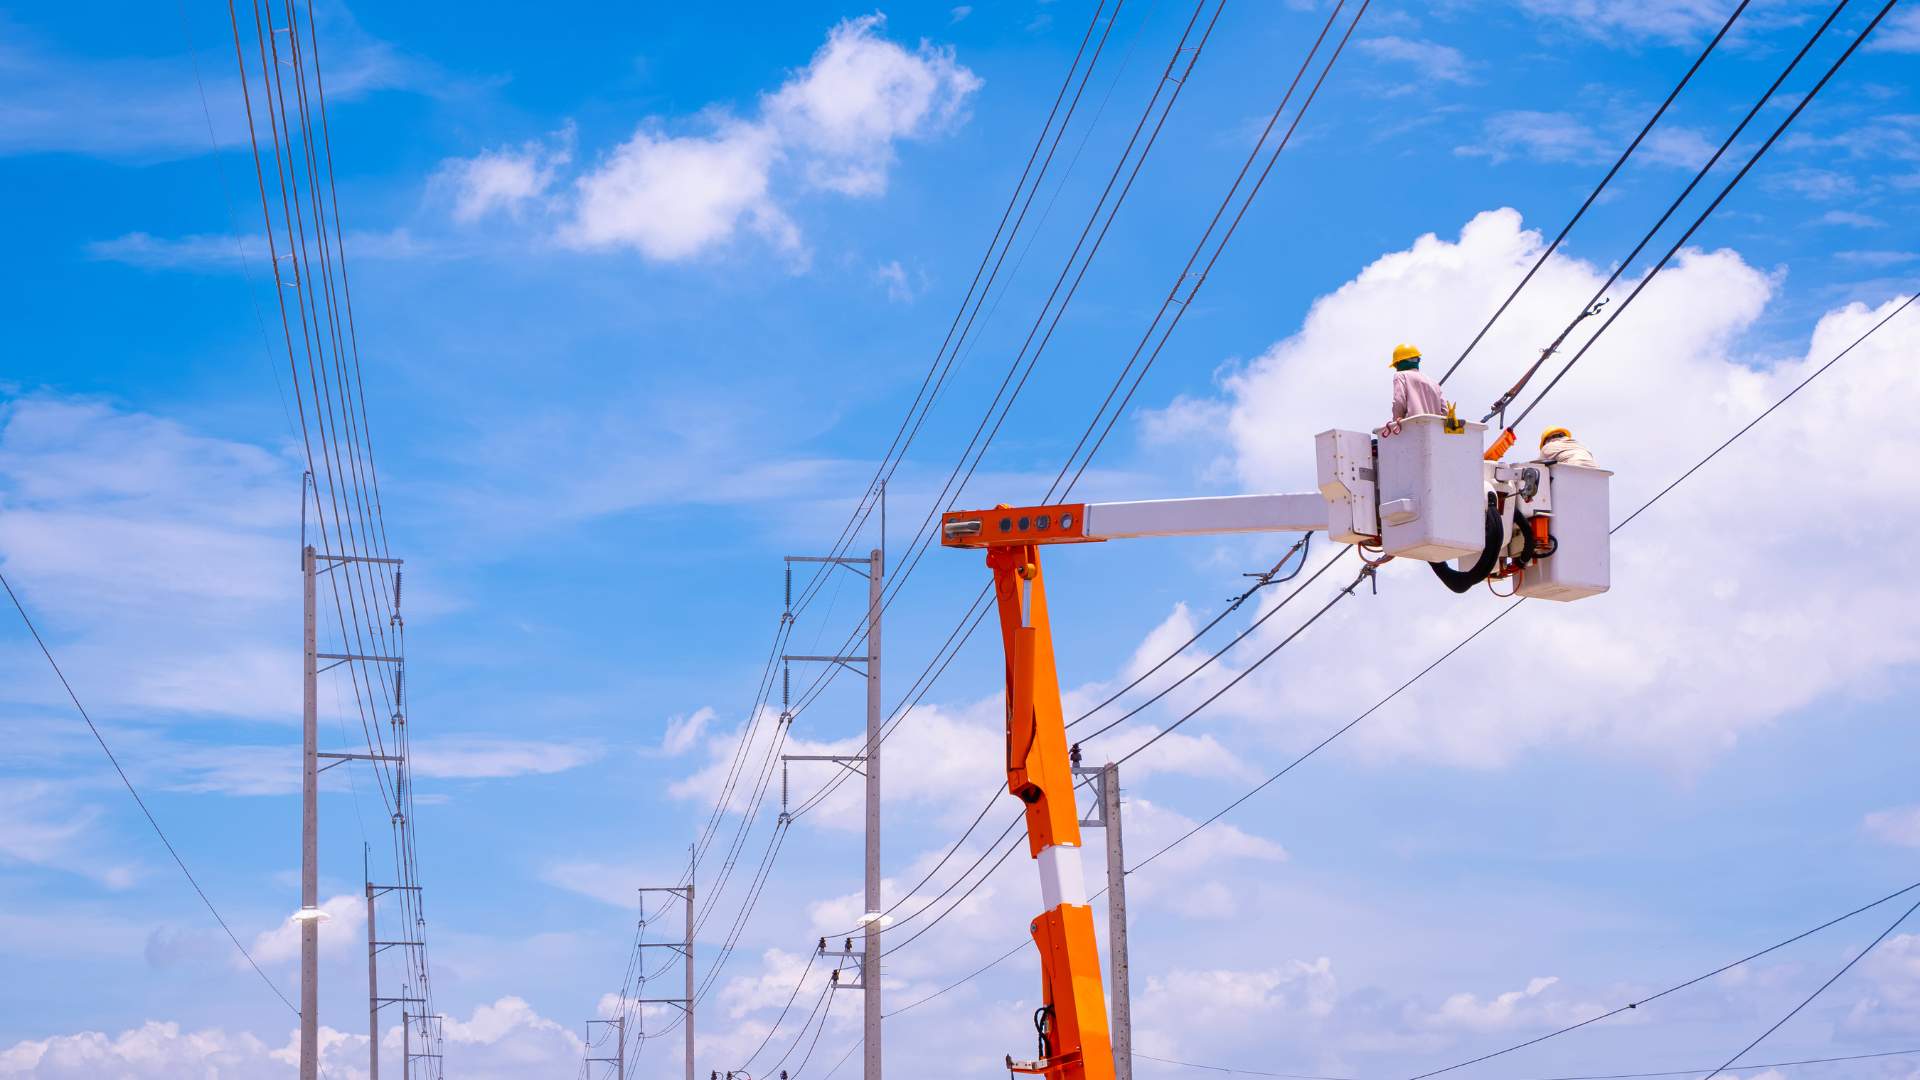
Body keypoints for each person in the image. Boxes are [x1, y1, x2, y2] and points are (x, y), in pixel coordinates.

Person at [1374, 343, 1447, 435]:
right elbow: (1445, 412)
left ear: (1400, 363)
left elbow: (1399, 401)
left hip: (1411, 431)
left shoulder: (1400, 376)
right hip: (1433, 433)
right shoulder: (1434, 383)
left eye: (1396, 366)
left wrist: (1396, 424)